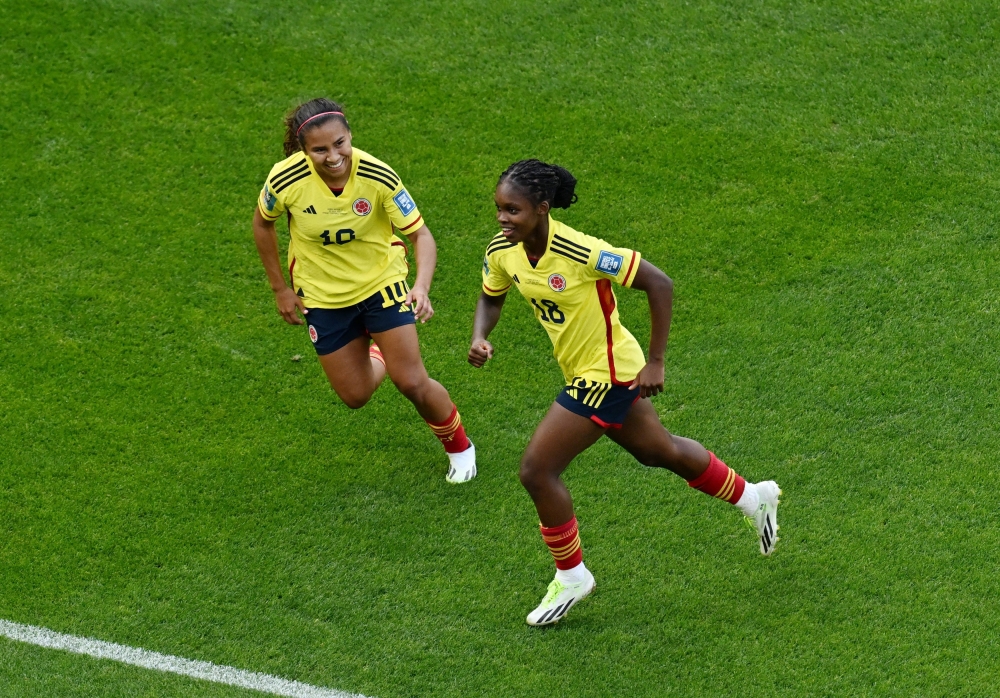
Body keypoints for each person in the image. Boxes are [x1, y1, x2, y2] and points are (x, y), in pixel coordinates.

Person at [469, 159, 781, 625]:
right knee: (660, 452)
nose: (502, 218)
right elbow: (491, 296)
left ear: (542, 208)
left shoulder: (580, 250)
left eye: (512, 210)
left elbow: (659, 283)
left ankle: (572, 576)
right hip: (581, 370)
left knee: (537, 470)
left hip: (608, 373)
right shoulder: (503, 251)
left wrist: (655, 361)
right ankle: (755, 498)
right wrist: (481, 334)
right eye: (498, 209)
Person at [252, 98, 476, 483]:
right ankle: (380, 351)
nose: (333, 156)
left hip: (381, 284)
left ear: (349, 135)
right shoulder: (284, 180)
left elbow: (420, 234)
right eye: (319, 149)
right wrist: (280, 289)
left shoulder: (377, 175)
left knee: (412, 381)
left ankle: (460, 448)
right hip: (321, 297)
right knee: (355, 396)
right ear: (304, 150)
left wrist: (420, 287)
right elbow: (262, 223)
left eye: (340, 143)